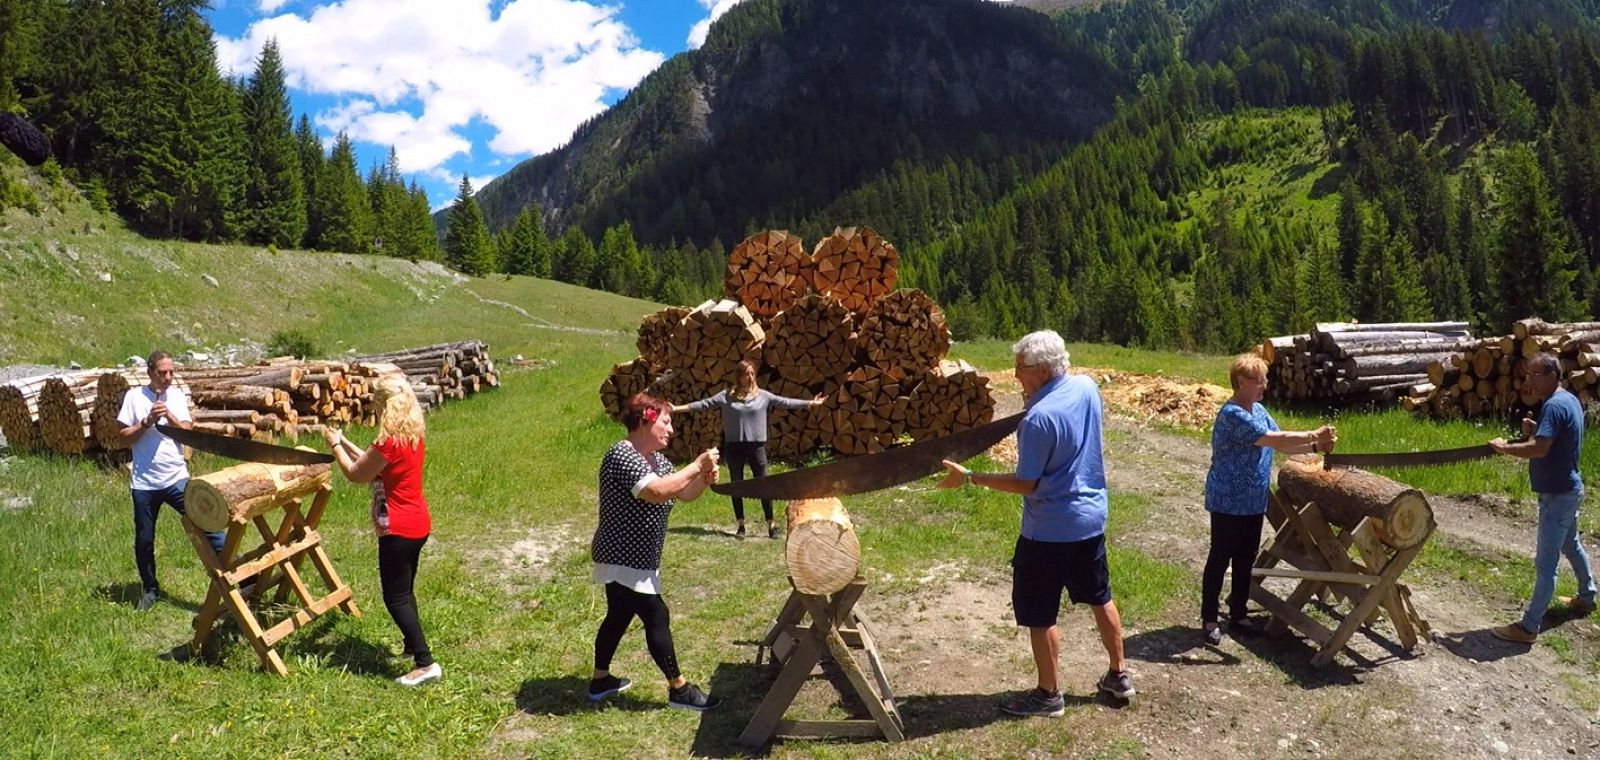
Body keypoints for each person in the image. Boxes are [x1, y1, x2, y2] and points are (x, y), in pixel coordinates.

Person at [938, 330, 1134, 716]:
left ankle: (1048, 695)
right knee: (1100, 596)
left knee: (1040, 614)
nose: (1016, 378)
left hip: (1049, 530)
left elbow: (1026, 483)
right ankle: (1120, 674)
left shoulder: (1039, 418)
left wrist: (971, 477)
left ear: (1041, 370)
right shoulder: (1086, 386)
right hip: (1089, 520)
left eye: (1019, 370)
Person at [588, 393, 723, 711]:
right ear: (645, 421)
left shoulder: (659, 461)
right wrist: (695, 465)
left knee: (618, 616)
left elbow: (682, 492)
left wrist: (701, 480)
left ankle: (600, 681)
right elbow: (656, 491)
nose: (671, 429)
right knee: (656, 614)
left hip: (638, 556)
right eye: (666, 421)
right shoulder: (622, 455)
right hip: (622, 554)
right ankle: (679, 689)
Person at [1201, 354, 1335, 646]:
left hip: (1252, 500)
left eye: (1264, 379)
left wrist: (1316, 447)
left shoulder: (1259, 410)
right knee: (1220, 557)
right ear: (1241, 382)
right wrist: (1314, 435)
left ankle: (1238, 614)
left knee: (1246, 559)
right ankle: (1210, 618)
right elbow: (1273, 440)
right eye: (1258, 380)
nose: (1264, 385)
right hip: (1227, 500)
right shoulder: (1233, 415)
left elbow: (1282, 440)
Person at [323, 374, 441, 686]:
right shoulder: (411, 436)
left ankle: (425, 663)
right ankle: (411, 646)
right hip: (417, 523)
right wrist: (345, 442)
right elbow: (371, 460)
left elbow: (355, 473)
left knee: (395, 597)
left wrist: (335, 444)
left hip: (398, 529)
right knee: (406, 591)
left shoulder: (388, 441)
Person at [1488, 352, 1596, 643]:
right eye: (1527, 375)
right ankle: (1587, 596)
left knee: (1545, 564)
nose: (1529, 381)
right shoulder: (1568, 399)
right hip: (1568, 489)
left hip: (1558, 494)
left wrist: (1505, 448)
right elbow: (1557, 438)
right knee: (1571, 545)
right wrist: (1536, 432)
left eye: (1535, 374)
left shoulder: (1553, 406)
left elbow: (1540, 449)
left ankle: (1528, 627)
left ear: (1552, 376)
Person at [117, 350, 225, 612]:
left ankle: (236, 577)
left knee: (209, 524)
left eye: (171, 372)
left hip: (176, 477)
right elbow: (122, 437)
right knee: (144, 539)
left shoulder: (176, 396)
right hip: (144, 483)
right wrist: (146, 422)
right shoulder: (133, 397)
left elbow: (187, 434)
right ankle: (151, 589)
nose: (168, 377)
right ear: (150, 373)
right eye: (162, 372)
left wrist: (169, 417)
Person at [673, 360, 824, 539]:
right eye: (747, 374)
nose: (750, 377)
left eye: (752, 373)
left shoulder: (763, 396)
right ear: (739, 376)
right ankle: (741, 525)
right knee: (737, 485)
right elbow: (703, 404)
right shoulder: (726, 396)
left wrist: (810, 403)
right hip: (734, 447)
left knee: (764, 484)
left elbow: (785, 402)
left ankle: (771, 525)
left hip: (756, 447)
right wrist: (676, 408)